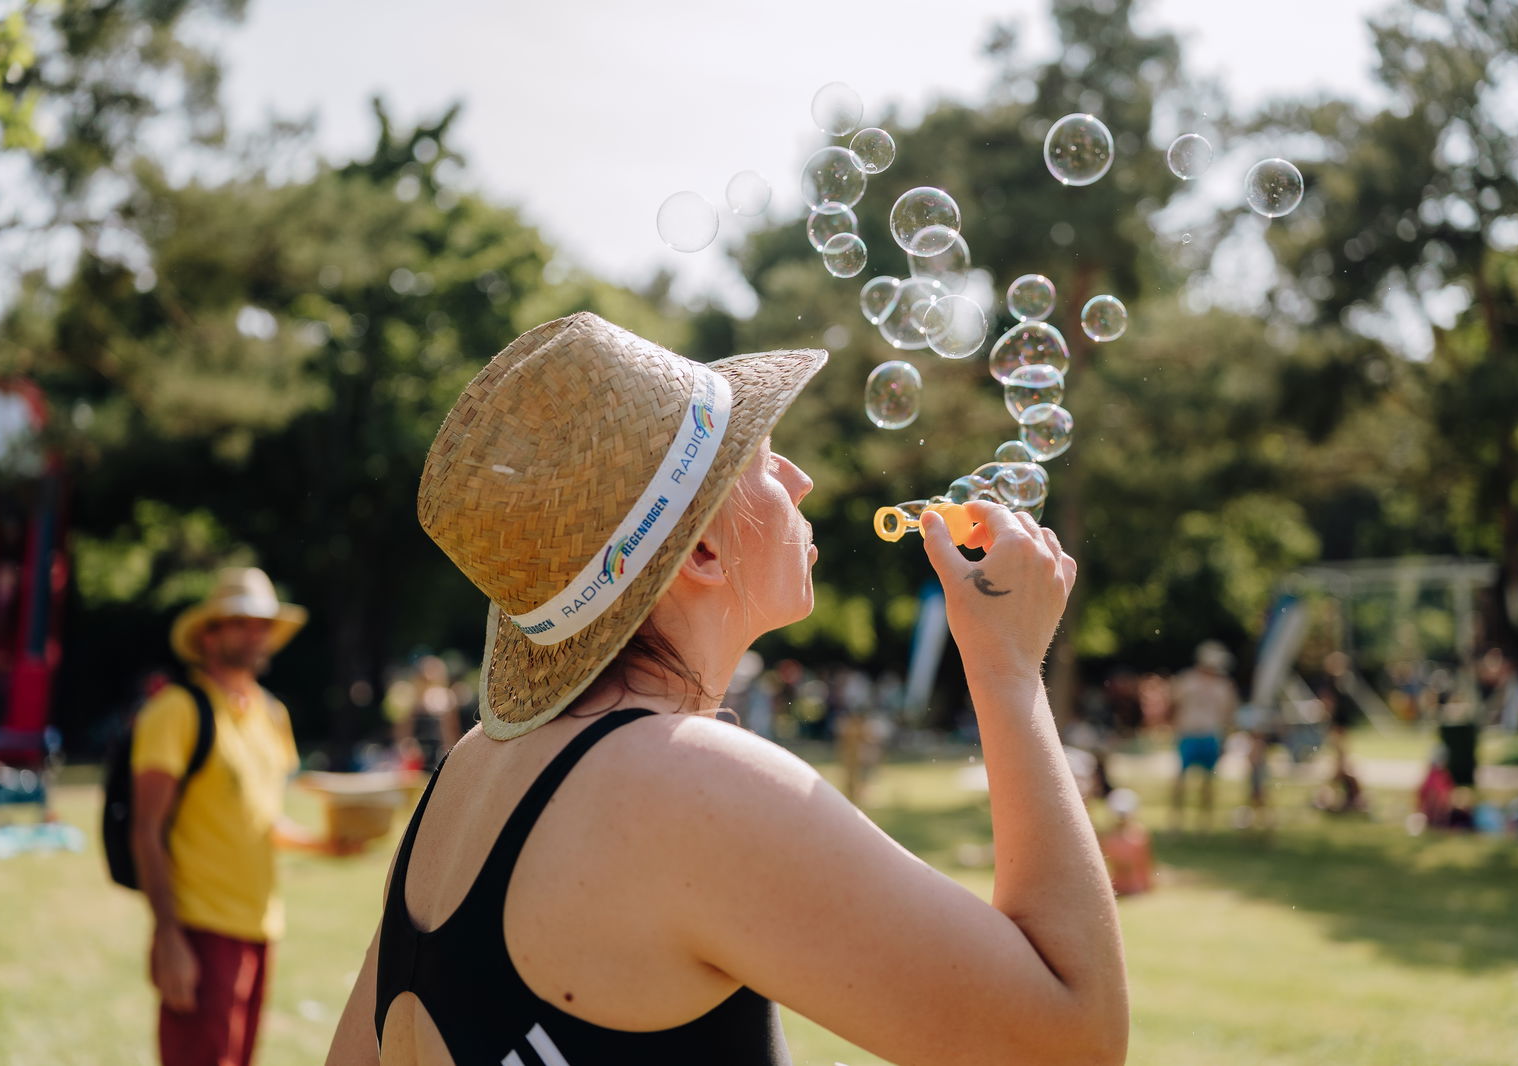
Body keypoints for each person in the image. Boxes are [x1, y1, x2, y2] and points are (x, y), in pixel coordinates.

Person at [325, 313, 1128, 1066]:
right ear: (704, 551)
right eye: (765, 458)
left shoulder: (467, 777)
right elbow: (1074, 1041)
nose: (802, 479)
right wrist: (1007, 670)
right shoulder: (685, 784)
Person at [130, 567, 312, 1066]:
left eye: (264, 624)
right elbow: (146, 830)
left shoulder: (273, 714)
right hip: (199, 930)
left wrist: (330, 843)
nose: (256, 634)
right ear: (208, 636)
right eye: (241, 622)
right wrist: (167, 935)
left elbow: (265, 821)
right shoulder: (176, 710)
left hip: (262, 927)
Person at [1169, 640, 1239, 829]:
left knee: (1208, 781)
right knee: (1181, 779)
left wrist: (1225, 737)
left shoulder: (1223, 686)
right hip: (1189, 733)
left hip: (1210, 735)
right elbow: (1175, 705)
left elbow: (1228, 714)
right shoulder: (1187, 680)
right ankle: (1177, 821)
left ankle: (1204, 822)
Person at [1098, 788, 1154, 897]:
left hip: (1135, 886)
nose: (1122, 818)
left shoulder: (1138, 835)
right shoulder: (1108, 837)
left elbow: (1144, 865)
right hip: (1118, 885)